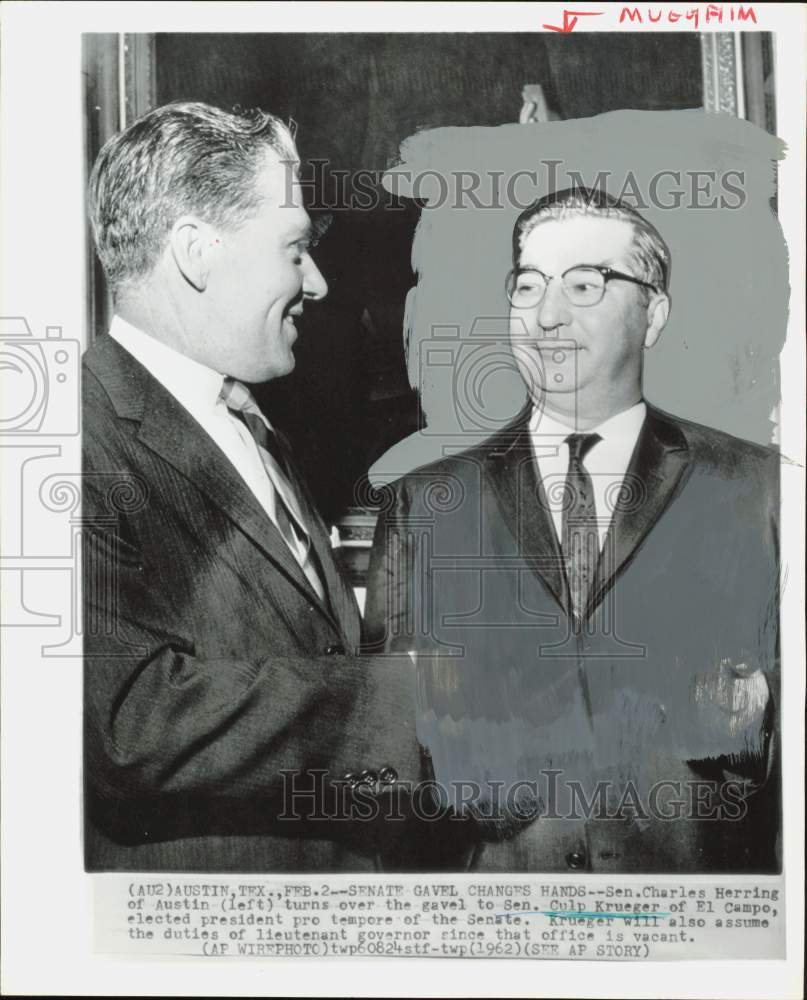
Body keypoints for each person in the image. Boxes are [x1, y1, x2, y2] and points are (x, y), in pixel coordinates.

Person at [365, 187, 780, 873]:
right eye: (527, 287)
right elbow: (384, 750)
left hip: (692, 934)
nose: (546, 316)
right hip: (498, 933)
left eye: (584, 285)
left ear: (653, 312)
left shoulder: (760, 491)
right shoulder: (424, 504)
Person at [82, 101, 423, 873]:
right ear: (197, 254)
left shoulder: (244, 417)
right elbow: (128, 723)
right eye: (295, 249)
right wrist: (426, 701)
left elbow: (305, 647)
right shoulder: (70, 443)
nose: (320, 282)